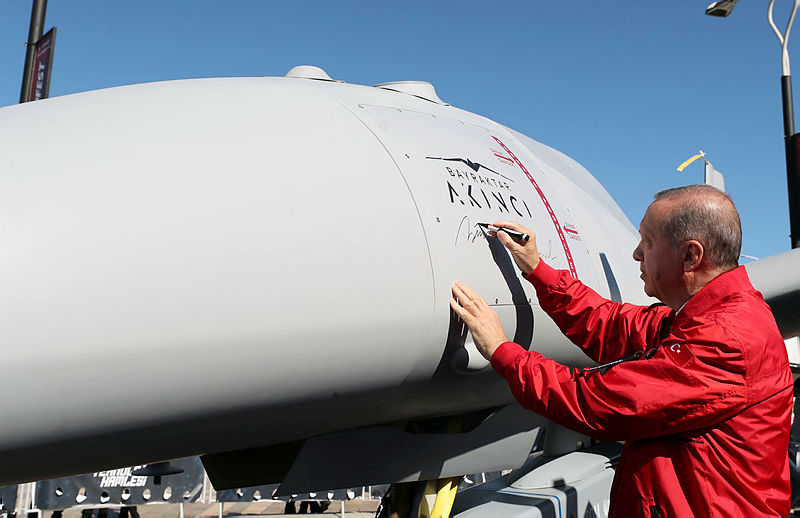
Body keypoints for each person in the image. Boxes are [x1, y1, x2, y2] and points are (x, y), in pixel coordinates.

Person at [450, 185, 792, 517]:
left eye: (648, 242)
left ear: (690, 255)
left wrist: (502, 351)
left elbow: (597, 402)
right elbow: (610, 325)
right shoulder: (706, 319)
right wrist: (537, 270)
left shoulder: (724, 338)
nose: (636, 253)